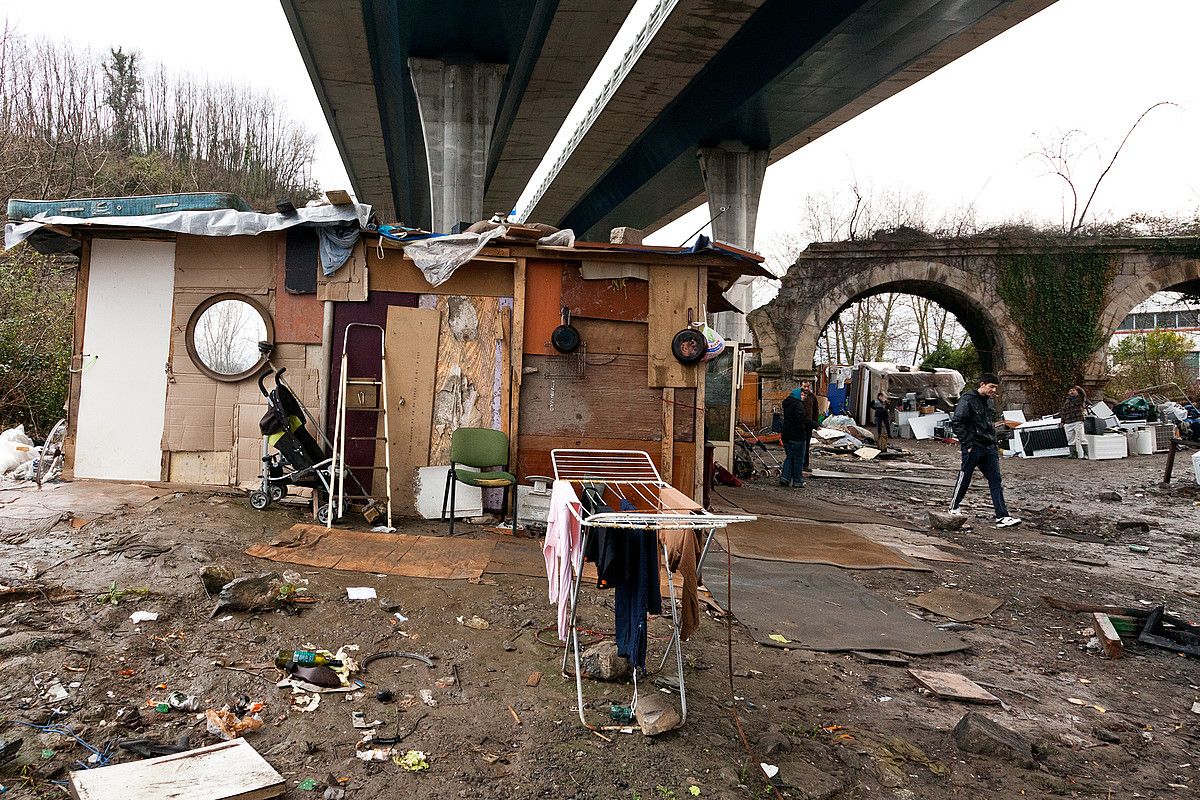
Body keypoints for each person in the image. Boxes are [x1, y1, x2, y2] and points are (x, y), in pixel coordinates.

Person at [948, 373, 1021, 528]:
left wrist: (993, 442)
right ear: (982, 384)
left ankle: (1002, 516)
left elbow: (989, 423)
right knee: (965, 476)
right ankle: (954, 507)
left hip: (989, 446)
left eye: (995, 387)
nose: (993, 390)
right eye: (991, 387)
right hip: (974, 447)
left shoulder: (988, 402)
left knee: (996, 480)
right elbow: (957, 422)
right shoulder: (967, 400)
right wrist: (968, 444)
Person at [780, 386, 811, 488]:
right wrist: (814, 424)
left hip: (786, 435)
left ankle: (785, 477)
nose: (804, 397)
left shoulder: (787, 404)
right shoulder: (798, 405)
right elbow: (801, 419)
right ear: (797, 395)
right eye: (802, 394)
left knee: (789, 457)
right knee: (798, 459)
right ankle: (797, 480)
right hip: (797, 435)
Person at [1060, 385, 1087, 459]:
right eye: (1070, 391)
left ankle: (1086, 454)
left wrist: (1078, 388)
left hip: (1078, 420)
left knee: (1081, 437)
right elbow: (1063, 412)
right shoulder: (1066, 401)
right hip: (1068, 422)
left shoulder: (1080, 399)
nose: (1072, 392)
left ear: (1077, 392)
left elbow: (1083, 394)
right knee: (1070, 439)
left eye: (1073, 390)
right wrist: (1062, 422)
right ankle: (1073, 454)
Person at [801, 381, 818, 474]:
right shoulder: (798, 396)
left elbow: (815, 410)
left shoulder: (812, 397)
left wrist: (815, 424)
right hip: (800, 425)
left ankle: (805, 464)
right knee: (799, 445)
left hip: (809, 425)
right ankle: (798, 464)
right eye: (805, 386)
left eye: (808, 386)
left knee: (807, 445)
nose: (806, 388)